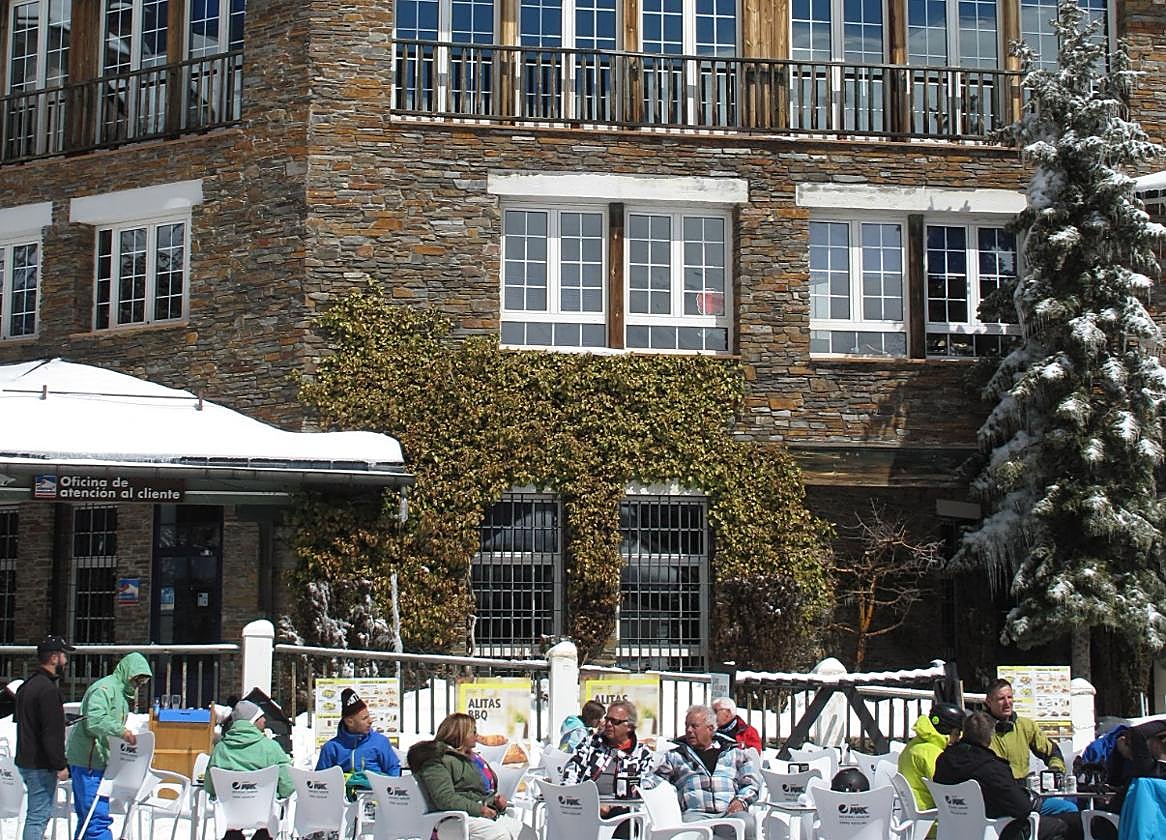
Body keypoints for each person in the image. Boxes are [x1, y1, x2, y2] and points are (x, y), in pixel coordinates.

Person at [934, 711, 1081, 840]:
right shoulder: (991, 767)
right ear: (990, 737)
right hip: (996, 829)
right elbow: (1023, 809)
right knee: (1065, 825)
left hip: (956, 829)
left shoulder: (943, 761)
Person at [65, 652, 151, 840]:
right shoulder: (105, 689)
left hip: (99, 760)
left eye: (142, 683)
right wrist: (122, 732)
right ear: (128, 673)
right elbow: (95, 720)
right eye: (137, 680)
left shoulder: (119, 694)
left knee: (88, 818)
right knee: (96, 817)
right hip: (88, 760)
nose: (138, 686)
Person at [650, 704, 761, 839]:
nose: (689, 730)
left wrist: (741, 801)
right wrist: (639, 786)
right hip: (695, 815)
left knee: (747, 823)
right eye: (687, 726)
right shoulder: (676, 756)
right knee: (693, 835)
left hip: (728, 812)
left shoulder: (734, 753)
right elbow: (655, 781)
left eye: (694, 726)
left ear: (710, 729)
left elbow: (751, 783)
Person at [407, 713, 524, 840]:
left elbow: (475, 792)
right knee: (498, 835)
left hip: (477, 815)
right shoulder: (436, 759)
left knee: (524, 833)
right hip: (452, 819)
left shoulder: (472, 758)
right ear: (459, 734)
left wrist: (495, 803)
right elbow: (445, 798)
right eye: (473, 731)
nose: (477, 735)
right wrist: (480, 810)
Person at [985, 679, 1077, 817]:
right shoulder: (979, 729)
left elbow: (1052, 751)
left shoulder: (1025, 726)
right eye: (1000, 699)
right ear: (988, 702)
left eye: (1009, 697)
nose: (1007, 703)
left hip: (1022, 794)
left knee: (1069, 809)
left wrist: (1055, 771)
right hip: (994, 798)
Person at [205, 700, 294, 839]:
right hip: (264, 814)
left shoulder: (220, 749)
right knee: (267, 827)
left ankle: (233, 836)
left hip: (230, 814)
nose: (264, 720)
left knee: (232, 828)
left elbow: (210, 786)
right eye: (260, 717)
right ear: (252, 721)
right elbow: (288, 785)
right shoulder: (271, 748)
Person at [562, 700, 654, 835]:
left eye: (615, 722)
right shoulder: (591, 744)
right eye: (607, 719)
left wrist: (612, 805)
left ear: (629, 726)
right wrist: (585, 803)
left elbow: (645, 786)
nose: (608, 725)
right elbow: (571, 772)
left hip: (622, 813)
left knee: (624, 819)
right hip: (584, 808)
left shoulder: (641, 754)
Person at [15, 636, 75, 840]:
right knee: (38, 816)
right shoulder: (49, 690)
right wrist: (60, 765)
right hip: (40, 764)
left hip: (26, 759)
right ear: (53, 658)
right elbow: (50, 734)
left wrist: (59, 720)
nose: (66, 661)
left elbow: (26, 721)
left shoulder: (27, 686)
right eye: (64, 655)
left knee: (36, 814)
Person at [315, 688, 400, 794]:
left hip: (376, 799)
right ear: (349, 722)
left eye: (369, 716)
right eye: (364, 718)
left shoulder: (380, 742)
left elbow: (393, 769)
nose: (370, 721)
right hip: (343, 803)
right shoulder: (332, 747)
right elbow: (320, 780)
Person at [898, 702, 967, 810]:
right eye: (957, 733)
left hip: (912, 810)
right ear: (947, 730)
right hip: (931, 815)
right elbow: (945, 788)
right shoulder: (932, 753)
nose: (958, 738)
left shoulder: (915, 743)